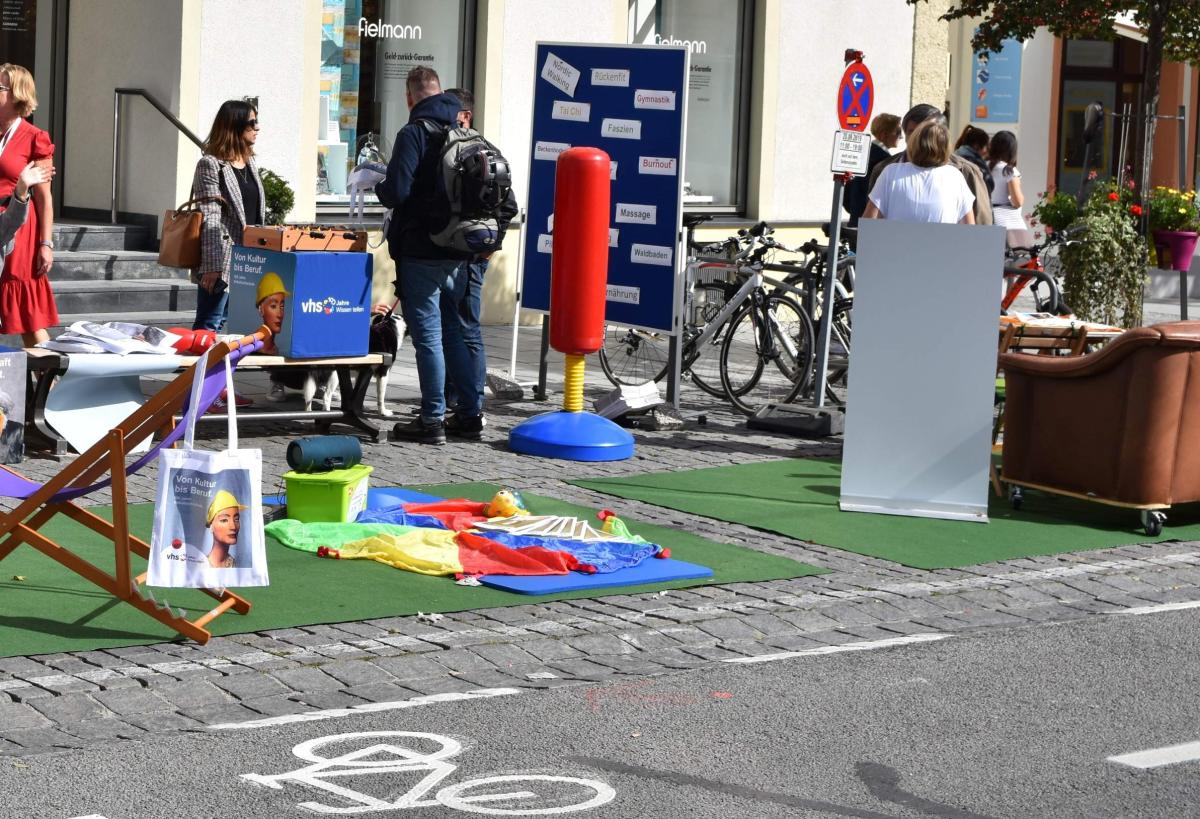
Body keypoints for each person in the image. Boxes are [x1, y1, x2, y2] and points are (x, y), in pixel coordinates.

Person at [375, 67, 481, 446]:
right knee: (455, 331)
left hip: (421, 249)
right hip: (458, 249)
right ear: (440, 93)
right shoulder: (464, 132)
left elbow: (398, 192)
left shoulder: (413, 133)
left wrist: (380, 185)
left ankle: (432, 418)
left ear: (410, 97)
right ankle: (469, 414)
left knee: (429, 337)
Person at [192, 99, 266, 333]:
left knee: (236, 325)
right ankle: (197, 369)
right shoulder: (211, 165)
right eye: (252, 123)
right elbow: (210, 216)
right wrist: (212, 266)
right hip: (222, 258)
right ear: (234, 125)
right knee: (210, 324)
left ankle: (220, 370)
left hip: (249, 259)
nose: (258, 128)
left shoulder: (250, 163)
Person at [0, 65, 57, 346]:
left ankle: (52, 384)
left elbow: (45, 198)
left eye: (0, 88)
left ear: (17, 95)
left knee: (28, 320)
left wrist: (46, 243)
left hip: (19, 227)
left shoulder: (35, 137)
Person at [868, 103, 993, 226]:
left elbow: (980, 225)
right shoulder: (886, 170)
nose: (920, 139)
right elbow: (870, 223)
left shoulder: (964, 172)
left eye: (928, 133)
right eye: (913, 132)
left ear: (942, 135)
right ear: (905, 134)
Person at [844, 113, 901, 226]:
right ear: (884, 134)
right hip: (871, 225)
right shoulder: (884, 161)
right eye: (898, 132)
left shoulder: (862, 154)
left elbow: (847, 195)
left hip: (856, 221)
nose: (901, 136)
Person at [988, 130, 1027, 232]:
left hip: (985, 219)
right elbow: (1017, 202)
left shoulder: (982, 166)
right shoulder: (1008, 170)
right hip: (1004, 224)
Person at [205, 489, 246, 569]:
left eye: (236, 519)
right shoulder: (203, 567)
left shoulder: (232, 563)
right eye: (224, 520)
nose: (233, 527)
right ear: (211, 526)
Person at [953, 125, 994, 195]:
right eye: (986, 146)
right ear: (977, 145)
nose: (986, 151)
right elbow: (989, 185)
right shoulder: (975, 162)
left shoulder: (954, 157)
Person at [255, 272, 288, 355]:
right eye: (273, 306)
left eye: (282, 306)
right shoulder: (255, 344)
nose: (280, 315)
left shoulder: (273, 348)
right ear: (261, 309)